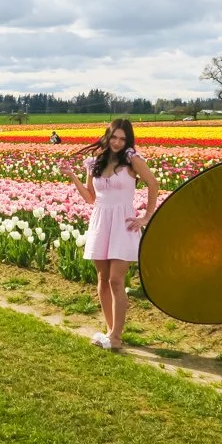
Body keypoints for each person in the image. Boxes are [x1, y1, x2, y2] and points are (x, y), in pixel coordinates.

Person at [59, 119, 159, 350]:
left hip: (123, 222)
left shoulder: (132, 160)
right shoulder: (94, 163)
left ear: (128, 140)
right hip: (101, 221)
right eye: (114, 137)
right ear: (108, 135)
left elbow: (153, 184)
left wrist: (146, 216)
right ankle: (111, 331)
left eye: (123, 139)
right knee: (103, 280)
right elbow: (90, 198)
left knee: (116, 280)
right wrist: (72, 176)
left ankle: (115, 337)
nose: (117, 142)